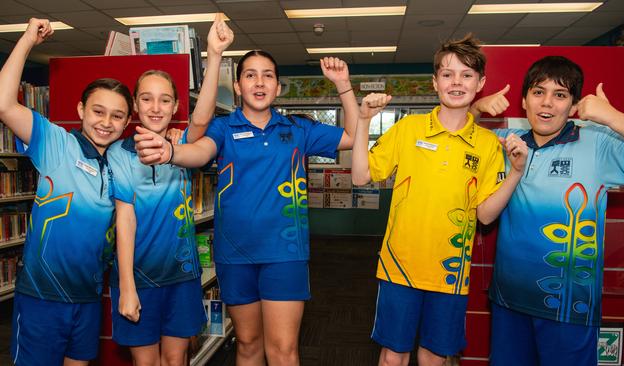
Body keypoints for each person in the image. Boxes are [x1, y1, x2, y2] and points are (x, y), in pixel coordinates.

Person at [132, 45, 360, 364]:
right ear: (238, 86)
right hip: (234, 256)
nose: (259, 82)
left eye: (268, 76)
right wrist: (172, 153)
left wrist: (343, 86)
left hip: (285, 255)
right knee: (249, 344)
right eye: (250, 75)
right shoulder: (223, 128)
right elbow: (199, 152)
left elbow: (352, 134)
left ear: (278, 86)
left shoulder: (298, 129)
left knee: (283, 349)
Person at [350, 34, 528, 366]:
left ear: (480, 83)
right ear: (435, 82)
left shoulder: (489, 145)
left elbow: (486, 216)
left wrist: (516, 173)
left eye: (466, 75)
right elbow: (361, 176)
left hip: (451, 273)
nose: (456, 82)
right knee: (393, 357)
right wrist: (363, 122)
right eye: (448, 74)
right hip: (398, 267)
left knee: (434, 357)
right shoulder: (408, 129)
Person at [472, 55, 624, 366]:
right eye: (538, 92)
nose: (547, 103)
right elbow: (458, 140)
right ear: (524, 100)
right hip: (509, 299)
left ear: (574, 105)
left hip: (569, 306)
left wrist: (612, 117)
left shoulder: (596, 144)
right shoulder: (505, 143)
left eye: (560, 95)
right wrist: (475, 108)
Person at [0, 18, 133, 365]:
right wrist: (27, 39)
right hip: (42, 295)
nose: (107, 122)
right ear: (80, 111)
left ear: (126, 122)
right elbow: (4, 105)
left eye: (117, 116)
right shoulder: (57, 144)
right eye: (98, 111)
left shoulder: (121, 162)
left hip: (87, 297)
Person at [107, 16, 233, 366]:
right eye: (146, 99)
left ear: (176, 106)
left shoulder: (183, 146)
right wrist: (128, 287)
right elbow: (125, 220)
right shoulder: (119, 154)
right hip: (139, 276)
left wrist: (214, 53)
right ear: (134, 105)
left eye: (165, 100)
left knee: (176, 360)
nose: (155, 108)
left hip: (182, 276)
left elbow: (203, 118)